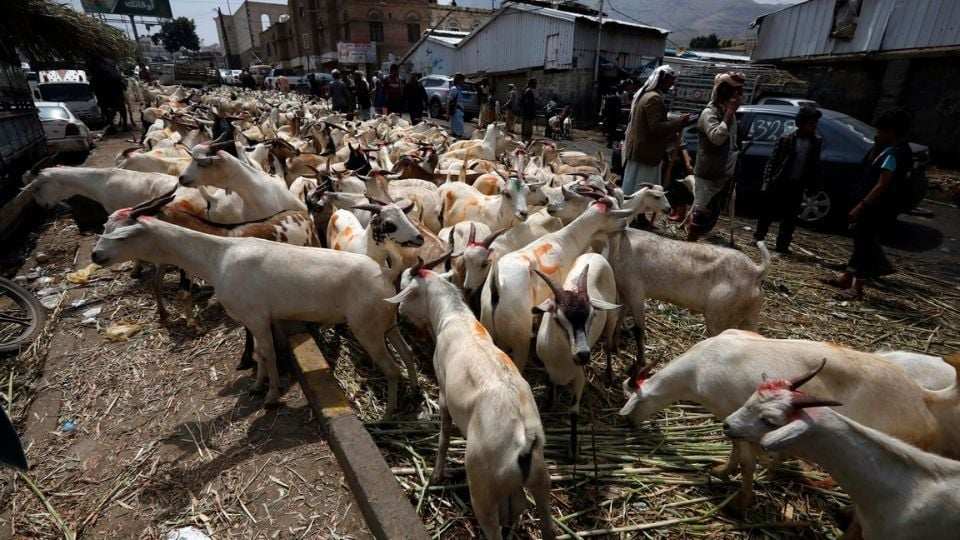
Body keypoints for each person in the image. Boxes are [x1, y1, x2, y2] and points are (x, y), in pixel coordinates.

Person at [822, 108, 912, 300]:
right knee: (860, 242)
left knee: (865, 245)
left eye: (881, 131)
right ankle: (846, 277)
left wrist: (861, 205)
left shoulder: (894, 154)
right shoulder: (892, 150)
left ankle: (857, 287)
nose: (877, 134)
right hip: (876, 206)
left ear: (891, 132)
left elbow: (882, 184)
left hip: (875, 207)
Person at [753, 105, 823, 254]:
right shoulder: (787, 139)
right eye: (811, 124)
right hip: (780, 181)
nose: (813, 127)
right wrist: (767, 181)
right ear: (801, 123)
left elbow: (814, 165)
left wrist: (813, 184)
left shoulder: (816, 142)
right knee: (768, 212)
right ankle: (759, 237)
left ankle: (782, 245)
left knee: (790, 216)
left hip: (797, 184)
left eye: (815, 124)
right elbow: (772, 162)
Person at [688, 71, 746, 241]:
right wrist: (728, 113)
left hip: (723, 173)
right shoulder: (710, 113)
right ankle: (689, 246)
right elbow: (717, 138)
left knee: (711, 215)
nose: (740, 95)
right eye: (736, 91)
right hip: (708, 173)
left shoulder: (729, 113)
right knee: (699, 215)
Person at [621, 65, 692, 196]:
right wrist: (679, 123)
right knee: (641, 191)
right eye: (669, 82)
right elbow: (656, 128)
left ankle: (639, 215)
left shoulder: (646, 95)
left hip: (641, 151)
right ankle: (638, 214)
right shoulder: (654, 98)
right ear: (661, 80)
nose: (671, 86)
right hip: (646, 153)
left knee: (635, 189)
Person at [663, 131, 695, 221]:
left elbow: (683, 148)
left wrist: (688, 163)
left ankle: (680, 213)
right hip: (669, 163)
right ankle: (674, 210)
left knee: (679, 187)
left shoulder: (676, 134)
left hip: (678, 163)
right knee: (670, 189)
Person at [601, 83, 624, 148]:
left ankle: (609, 142)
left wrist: (604, 115)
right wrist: (619, 115)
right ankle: (611, 142)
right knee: (613, 129)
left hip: (609, 115)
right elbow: (619, 108)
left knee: (609, 129)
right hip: (615, 116)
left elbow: (605, 107)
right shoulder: (618, 98)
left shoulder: (608, 98)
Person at [448, 73, 466, 138]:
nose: (463, 82)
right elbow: (449, 101)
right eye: (462, 80)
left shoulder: (459, 89)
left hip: (459, 111)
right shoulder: (454, 89)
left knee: (458, 128)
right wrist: (447, 112)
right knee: (457, 130)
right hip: (456, 111)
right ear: (459, 80)